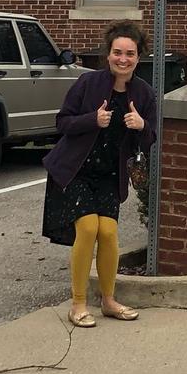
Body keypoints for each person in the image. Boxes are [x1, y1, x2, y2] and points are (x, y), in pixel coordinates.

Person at [42, 21, 157, 326]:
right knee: (89, 228)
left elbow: (152, 137)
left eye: (129, 53)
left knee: (108, 233)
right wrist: (92, 119)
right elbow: (62, 122)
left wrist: (141, 126)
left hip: (108, 174)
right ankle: (78, 304)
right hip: (75, 170)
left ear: (138, 57)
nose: (123, 59)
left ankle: (108, 301)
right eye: (117, 52)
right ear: (108, 55)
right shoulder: (87, 84)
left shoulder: (144, 94)